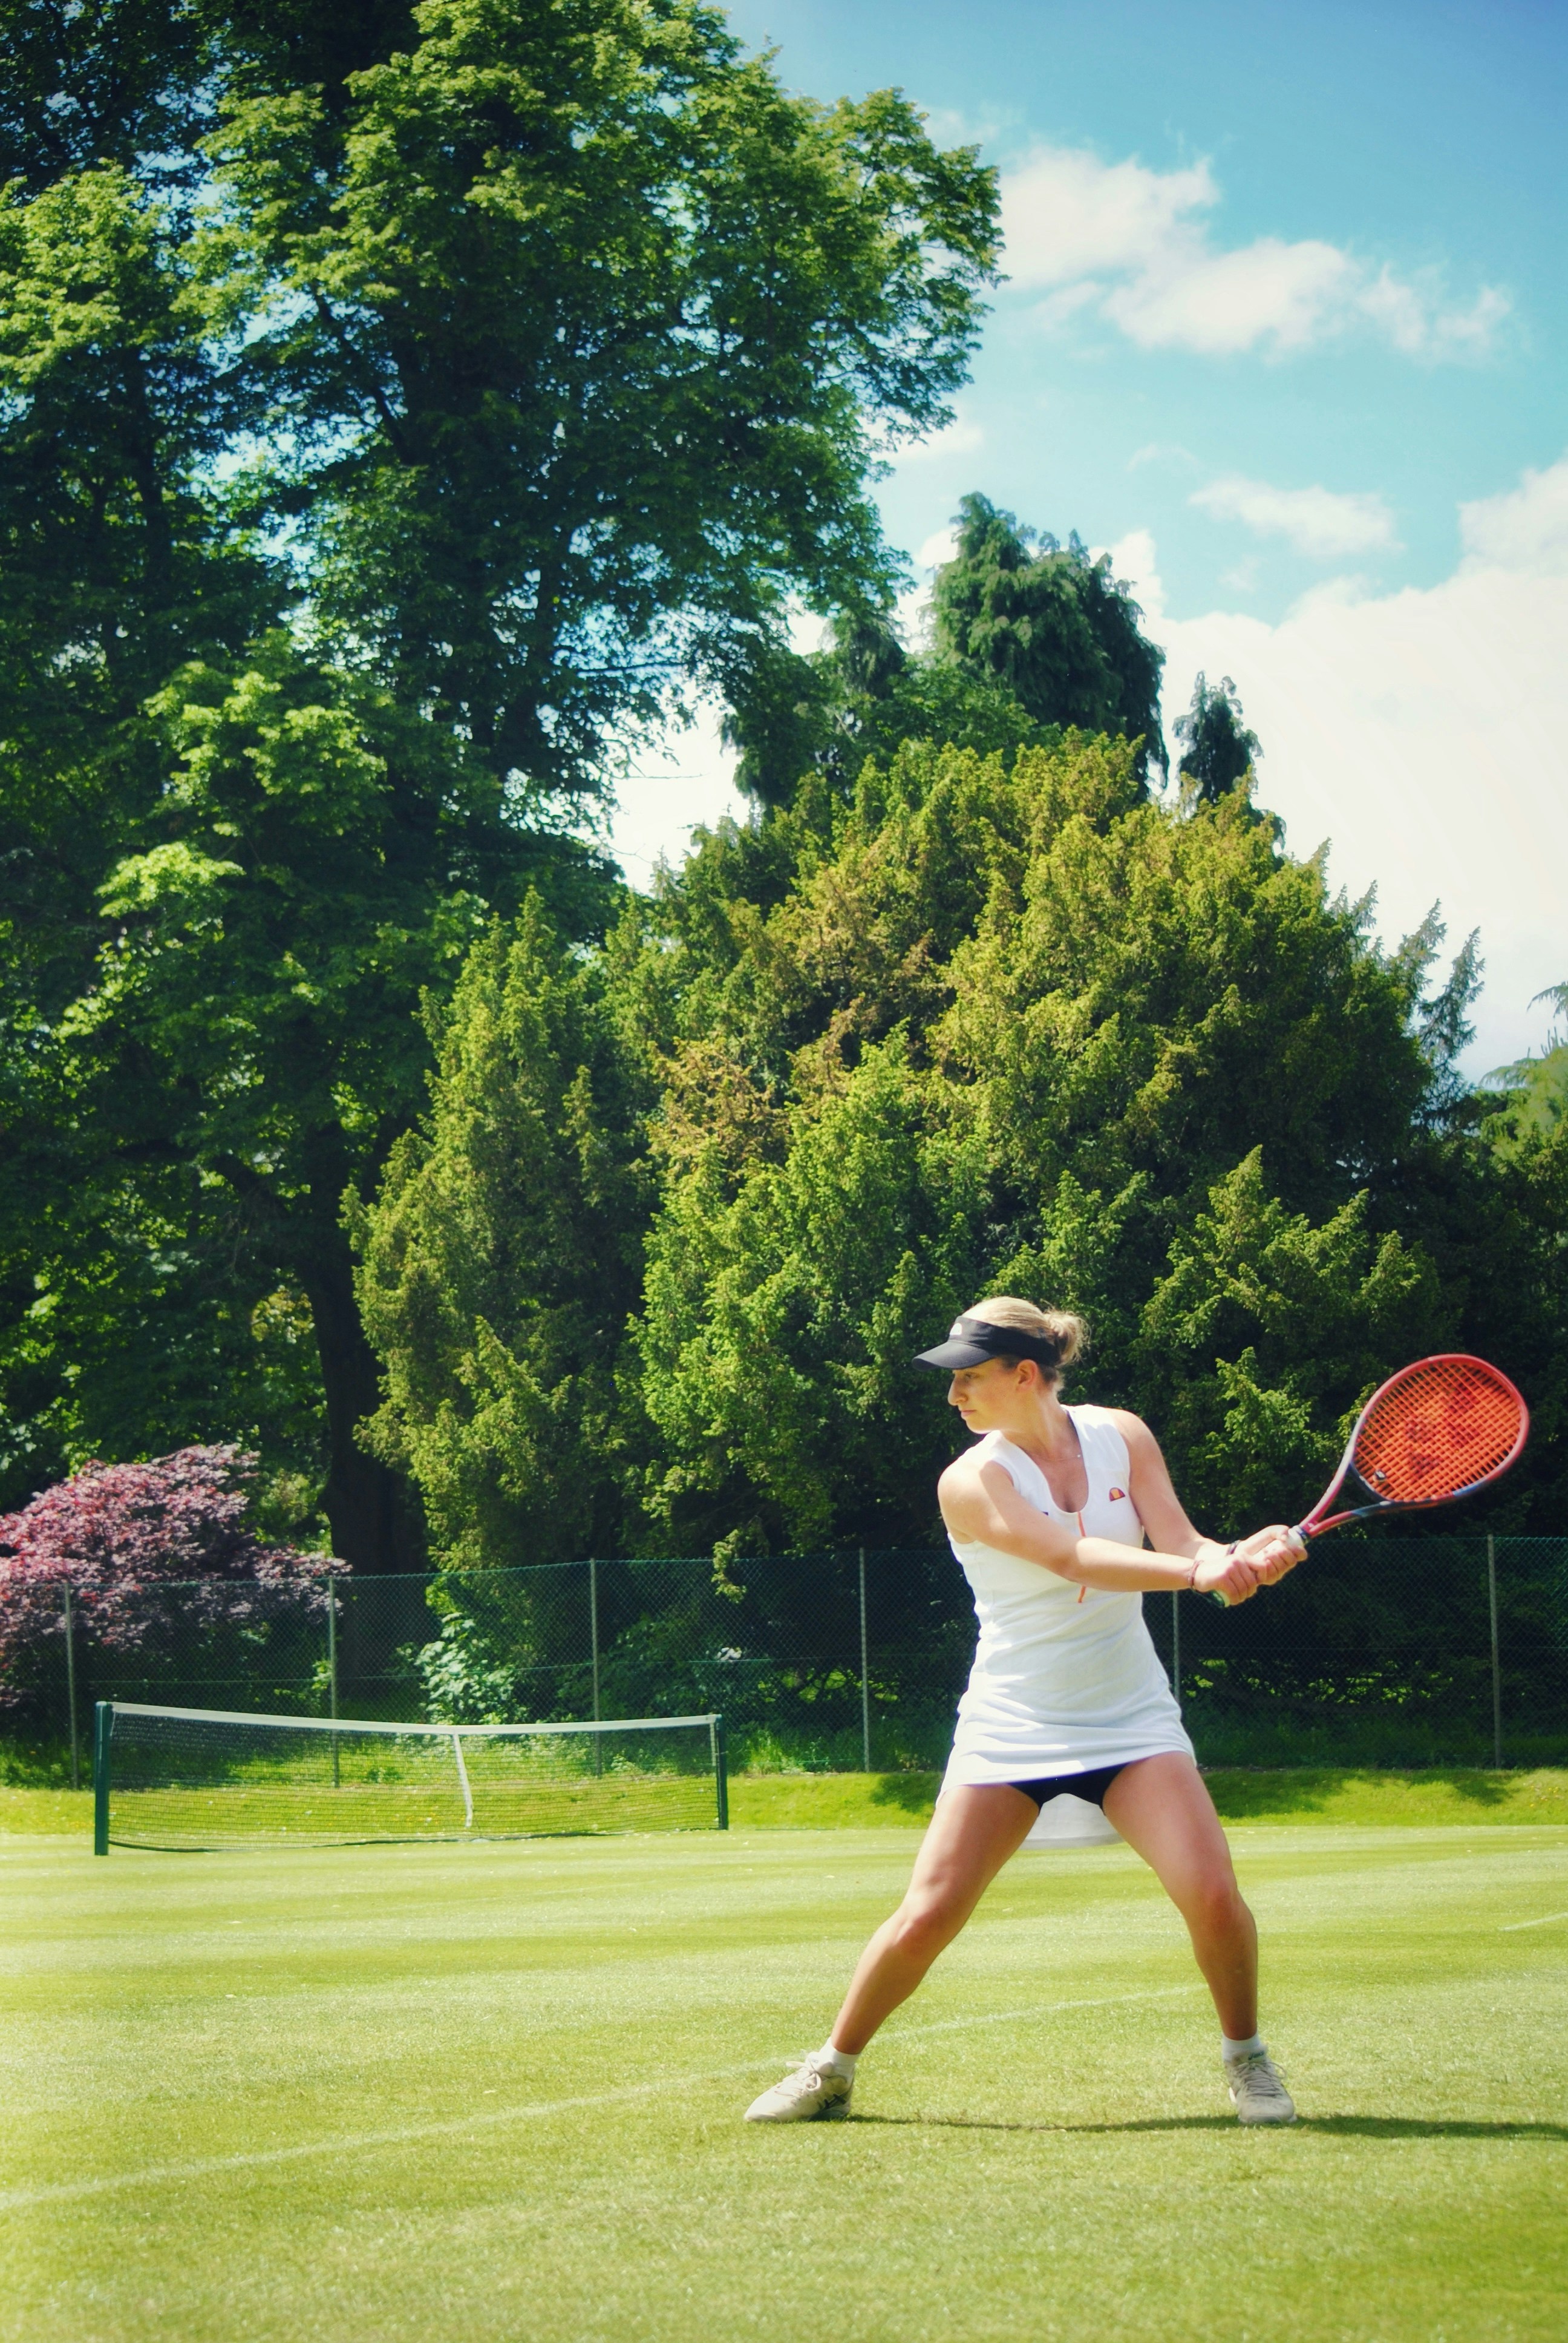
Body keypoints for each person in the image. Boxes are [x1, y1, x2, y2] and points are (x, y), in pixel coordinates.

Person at [744, 1296, 1305, 2128]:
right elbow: (1071, 1556)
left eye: (969, 1378)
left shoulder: (1124, 1435)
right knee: (928, 1912)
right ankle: (831, 2068)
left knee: (1214, 1896)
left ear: (1027, 1375)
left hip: (1131, 1718)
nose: (954, 1397)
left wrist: (1243, 1555)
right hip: (1013, 1722)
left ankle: (1247, 2060)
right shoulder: (971, 1482)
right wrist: (1199, 1575)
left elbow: (1183, 1543)